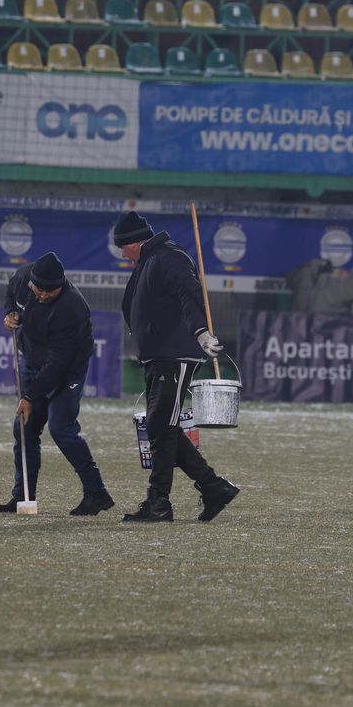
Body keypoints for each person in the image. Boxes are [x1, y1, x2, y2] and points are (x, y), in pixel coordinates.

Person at [113, 211, 239, 523]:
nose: (120, 253)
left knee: (161, 426)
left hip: (175, 354)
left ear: (135, 242)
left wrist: (200, 332)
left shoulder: (170, 258)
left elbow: (190, 295)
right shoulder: (148, 261)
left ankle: (159, 503)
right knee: (160, 426)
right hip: (158, 355)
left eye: (122, 247)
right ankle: (212, 487)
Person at [0, 251, 113, 516]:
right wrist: (10, 313)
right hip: (32, 360)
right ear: (32, 283)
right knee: (24, 429)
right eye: (40, 290)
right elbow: (11, 297)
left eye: (51, 291)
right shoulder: (22, 279)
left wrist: (29, 397)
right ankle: (22, 495)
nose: (44, 295)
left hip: (66, 370)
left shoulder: (72, 308)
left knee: (62, 429)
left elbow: (58, 364)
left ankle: (97, 493)